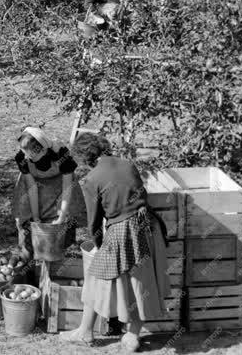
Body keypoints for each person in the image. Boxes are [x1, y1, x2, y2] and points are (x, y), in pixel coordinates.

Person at [60, 133, 170, 352]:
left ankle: (86, 332)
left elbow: (93, 221)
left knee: (95, 277)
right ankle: (131, 335)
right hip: (148, 227)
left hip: (122, 233)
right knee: (141, 280)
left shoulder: (92, 179)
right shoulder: (128, 164)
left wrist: (98, 243)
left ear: (84, 158)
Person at [11, 127, 79, 260]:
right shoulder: (22, 157)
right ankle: (28, 258)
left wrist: (62, 216)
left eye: (30, 154)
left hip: (60, 187)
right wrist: (36, 218)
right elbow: (32, 187)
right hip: (33, 186)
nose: (26, 156)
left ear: (43, 150)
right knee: (27, 222)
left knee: (61, 225)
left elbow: (67, 189)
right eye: (24, 152)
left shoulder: (62, 155)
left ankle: (58, 258)